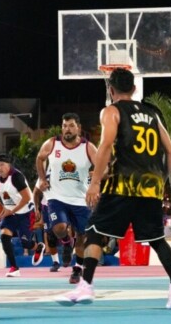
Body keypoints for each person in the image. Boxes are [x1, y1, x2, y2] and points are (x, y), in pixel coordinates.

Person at [57, 68, 171, 309]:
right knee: (157, 239)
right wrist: (161, 179)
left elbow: (105, 146)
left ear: (111, 90)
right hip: (150, 186)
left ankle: (86, 286)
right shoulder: (152, 113)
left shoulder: (111, 111)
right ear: (134, 89)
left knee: (94, 231)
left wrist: (94, 183)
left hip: (122, 185)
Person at [35, 112, 98, 283]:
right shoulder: (52, 144)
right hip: (57, 197)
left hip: (80, 199)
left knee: (82, 236)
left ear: (78, 127)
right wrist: (41, 178)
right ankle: (66, 242)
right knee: (59, 228)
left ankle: (77, 270)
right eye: (64, 126)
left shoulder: (88, 147)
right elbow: (40, 158)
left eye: (71, 126)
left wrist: (95, 183)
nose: (67, 129)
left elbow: (103, 166)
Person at [0, 154, 37, 277]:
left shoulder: (16, 177)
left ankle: (38, 247)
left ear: (9, 165)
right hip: (10, 212)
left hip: (25, 212)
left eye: (2, 165)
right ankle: (14, 267)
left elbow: (27, 197)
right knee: (4, 236)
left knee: (26, 243)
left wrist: (12, 210)